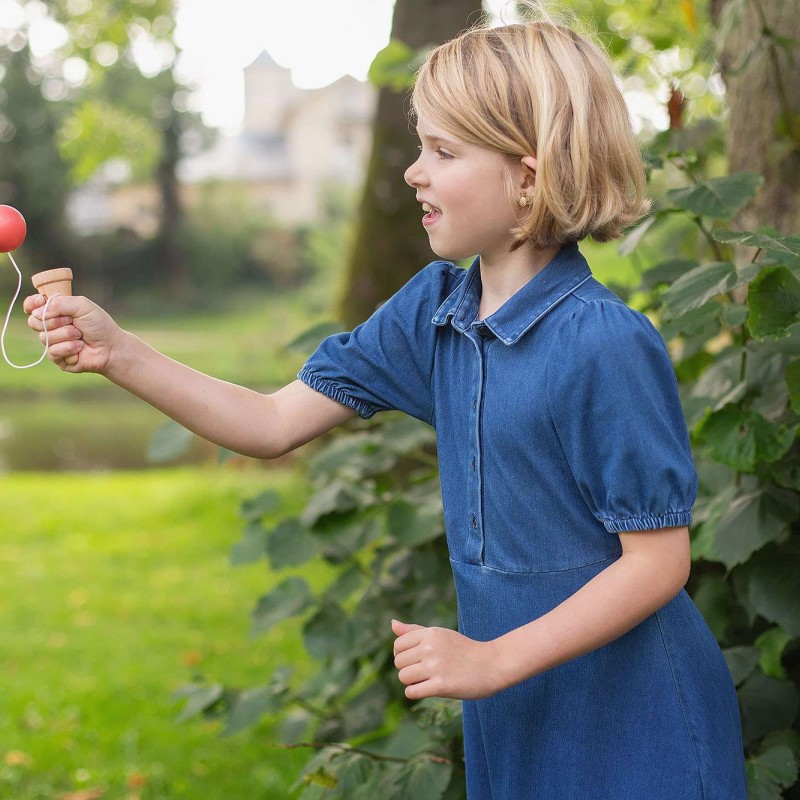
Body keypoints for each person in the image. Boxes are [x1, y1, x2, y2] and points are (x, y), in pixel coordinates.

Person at [25, 6, 746, 799]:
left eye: (443, 150)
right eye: (418, 146)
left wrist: (491, 658)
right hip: (517, 708)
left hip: (638, 725)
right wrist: (118, 352)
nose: (413, 170)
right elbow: (270, 424)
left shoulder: (604, 344)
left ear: (529, 177)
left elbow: (658, 563)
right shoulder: (432, 311)